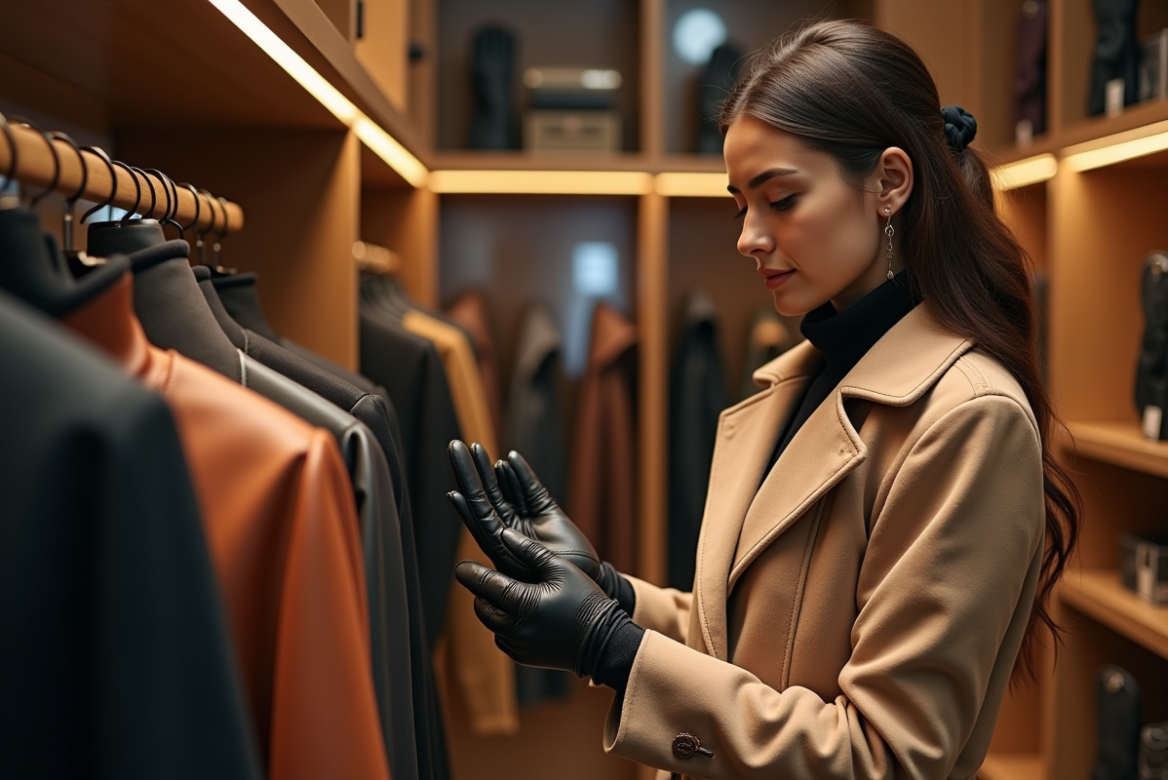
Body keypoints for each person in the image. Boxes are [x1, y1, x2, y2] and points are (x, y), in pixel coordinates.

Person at [445, 19, 1080, 780]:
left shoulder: (969, 416)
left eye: (780, 199)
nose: (749, 236)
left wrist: (609, 647)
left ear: (890, 183)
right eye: (741, 202)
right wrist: (609, 594)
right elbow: (750, 645)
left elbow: (882, 758)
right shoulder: (808, 377)